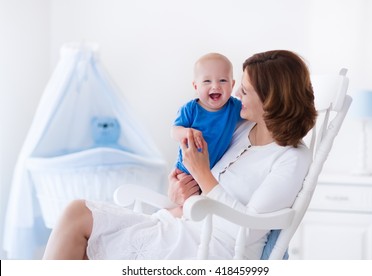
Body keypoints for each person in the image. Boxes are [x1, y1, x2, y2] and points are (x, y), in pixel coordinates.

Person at [42, 50, 317, 260]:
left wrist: (202, 175)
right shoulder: (242, 129)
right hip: (183, 223)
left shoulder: (290, 158)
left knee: (83, 245)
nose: (234, 93)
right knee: (76, 212)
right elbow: (200, 177)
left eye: (244, 90)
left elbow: (248, 230)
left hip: (210, 249)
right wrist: (181, 191)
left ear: (270, 100)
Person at [171, 52, 242, 176]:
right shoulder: (191, 108)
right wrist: (189, 133)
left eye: (223, 80)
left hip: (212, 173)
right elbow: (174, 132)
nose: (215, 86)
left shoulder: (234, 106)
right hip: (186, 171)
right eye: (207, 81)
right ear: (195, 86)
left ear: (232, 84)